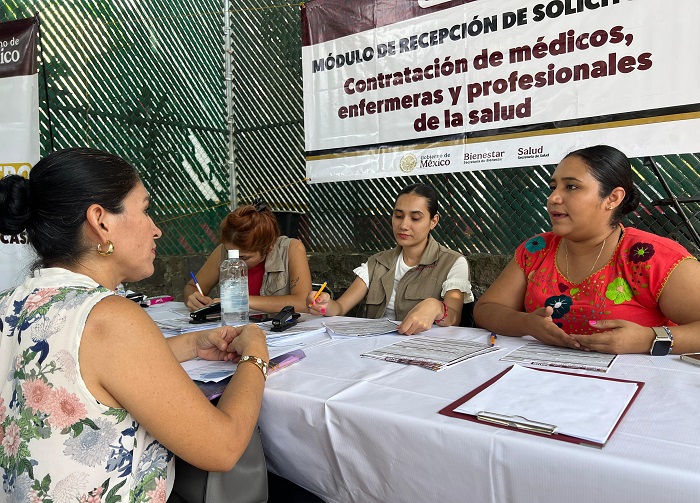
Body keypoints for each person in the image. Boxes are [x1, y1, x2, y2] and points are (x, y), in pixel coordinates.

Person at [0, 148, 269, 503]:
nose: (156, 228)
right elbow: (222, 448)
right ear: (101, 221)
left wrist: (191, 344)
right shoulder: (109, 316)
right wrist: (256, 353)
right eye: (144, 209)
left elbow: (75, 365)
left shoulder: (13, 303)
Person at [474, 144, 700, 354]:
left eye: (571, 187)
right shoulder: (536, 249)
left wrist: (650, 339)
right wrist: (525, 323)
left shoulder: (651, 257)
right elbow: (486, 309)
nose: (553, 198)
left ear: (612, 198)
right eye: (553, 187)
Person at [307, 183, 473, 335]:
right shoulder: (377, 262)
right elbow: (340, 307)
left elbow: (453, 317)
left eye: (415, 218)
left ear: (433, 221)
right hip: (371, 347)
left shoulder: (452, 262)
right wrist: (324, 304)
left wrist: (435, 306)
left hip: (423, 350)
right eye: (398, 216)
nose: (403, 225)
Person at [184, 203, 312, 314]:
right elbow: (192, 287)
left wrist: (241, 299)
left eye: (244, 257)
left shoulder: (292, 249)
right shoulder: (222, 251)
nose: (235, 261)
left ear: (268, 248)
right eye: (230, 253)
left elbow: (303, 302)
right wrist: (194, 299)